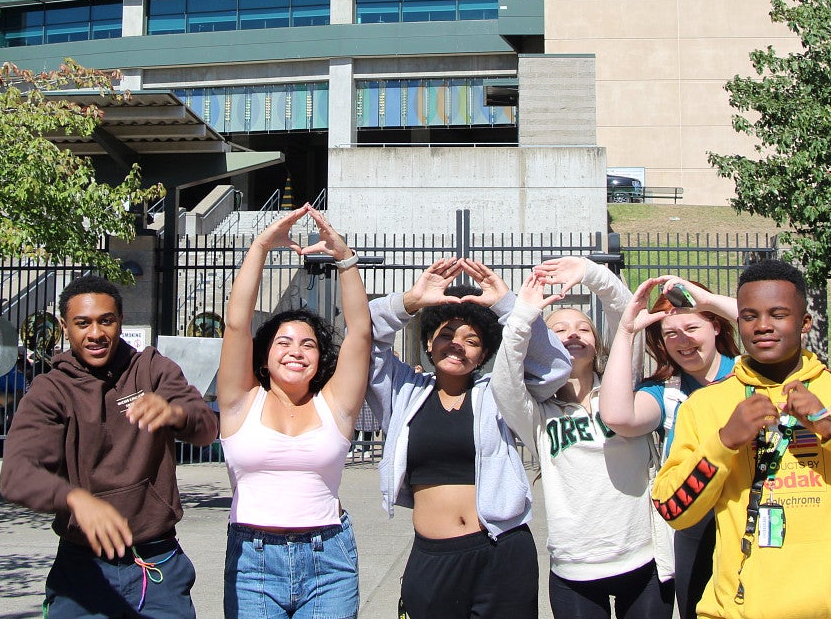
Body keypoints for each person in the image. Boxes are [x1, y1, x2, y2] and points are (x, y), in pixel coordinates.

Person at [650, 259, 831, 619]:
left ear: (804, 323)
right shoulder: (708, 406)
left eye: (778, 314)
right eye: (749, 316)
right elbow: (673, 509)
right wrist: (725, 442)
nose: (762, 326)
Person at [0, 274, 218, 619]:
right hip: (83, 567)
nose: (96, 333)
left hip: (156, 561)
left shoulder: (151, 369)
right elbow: (17, 474)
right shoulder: (50, 390)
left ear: (120, 321)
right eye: (82, 323)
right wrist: (75, 499)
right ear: (65, 327)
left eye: (107, 320)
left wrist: (176, 413)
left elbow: (206, 428)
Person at [365, 257, 572, 619]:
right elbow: (359, 337)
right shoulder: (402, 390)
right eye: (445, 335)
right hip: (434, 557)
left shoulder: (499, 391)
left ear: (485, 354)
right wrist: (410, 302)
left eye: (471, 339)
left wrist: (507, 306)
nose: (456, 344)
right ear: (429, 342)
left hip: (502, 553)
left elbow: (555, 367)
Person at [491, 259, 675, 619]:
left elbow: (627, 316)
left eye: (583, 329)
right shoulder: (538, 414)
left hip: (643, 558)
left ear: (598, 343)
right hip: (575, 569)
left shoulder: (625, 391)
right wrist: (524, 316)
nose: (573, 334)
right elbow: (504, 381)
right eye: (558, 329)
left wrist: (592, 274)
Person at [217, 204, 372, 619]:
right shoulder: (239, 404)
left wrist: (346, 259)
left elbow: (360, 332)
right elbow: (236, 324)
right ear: (264, 355)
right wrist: (262, 245)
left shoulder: (335, 406)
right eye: (283, 343)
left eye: (308, 345)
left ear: (321, 361)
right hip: (253, 560)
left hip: (329, 559)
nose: (295, 352)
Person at [598, 276, 739, 619]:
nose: (682, 341)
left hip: (752, 513)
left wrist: (708, 299)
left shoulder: (751, 374)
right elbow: (617, 415)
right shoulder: (667, 390)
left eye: (692, 327)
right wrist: (628, 331)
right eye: (670, 334)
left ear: (716, 326)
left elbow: (780, 329)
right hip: (695, 523)